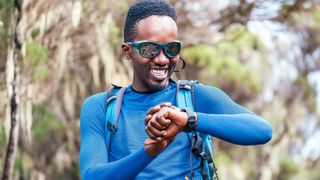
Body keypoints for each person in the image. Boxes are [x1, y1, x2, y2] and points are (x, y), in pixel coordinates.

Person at [79, 0, 273, 179]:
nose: (162, 59)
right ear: (127, 51)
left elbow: (262, 130)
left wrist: (188, 120)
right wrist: (150, 152)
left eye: (171, 49)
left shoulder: (197, 97)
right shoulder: (100, 107)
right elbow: (92, 176)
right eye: (149, 49)